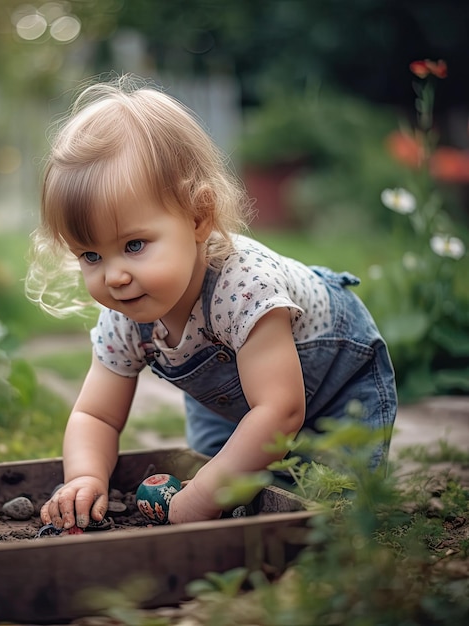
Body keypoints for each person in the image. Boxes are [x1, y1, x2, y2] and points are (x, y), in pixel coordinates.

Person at [26, 74, 397, 529]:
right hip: (236, 402)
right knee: (233, 485)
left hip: (337, 378)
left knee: (331, 510)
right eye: (91, 255)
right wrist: (84, 476)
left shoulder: (243, 288)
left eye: (135, 245)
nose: (115, 276)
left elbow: (281, 409)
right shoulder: (124, 317)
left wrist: (205, 493)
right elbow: (95, 413)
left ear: (198, 218)